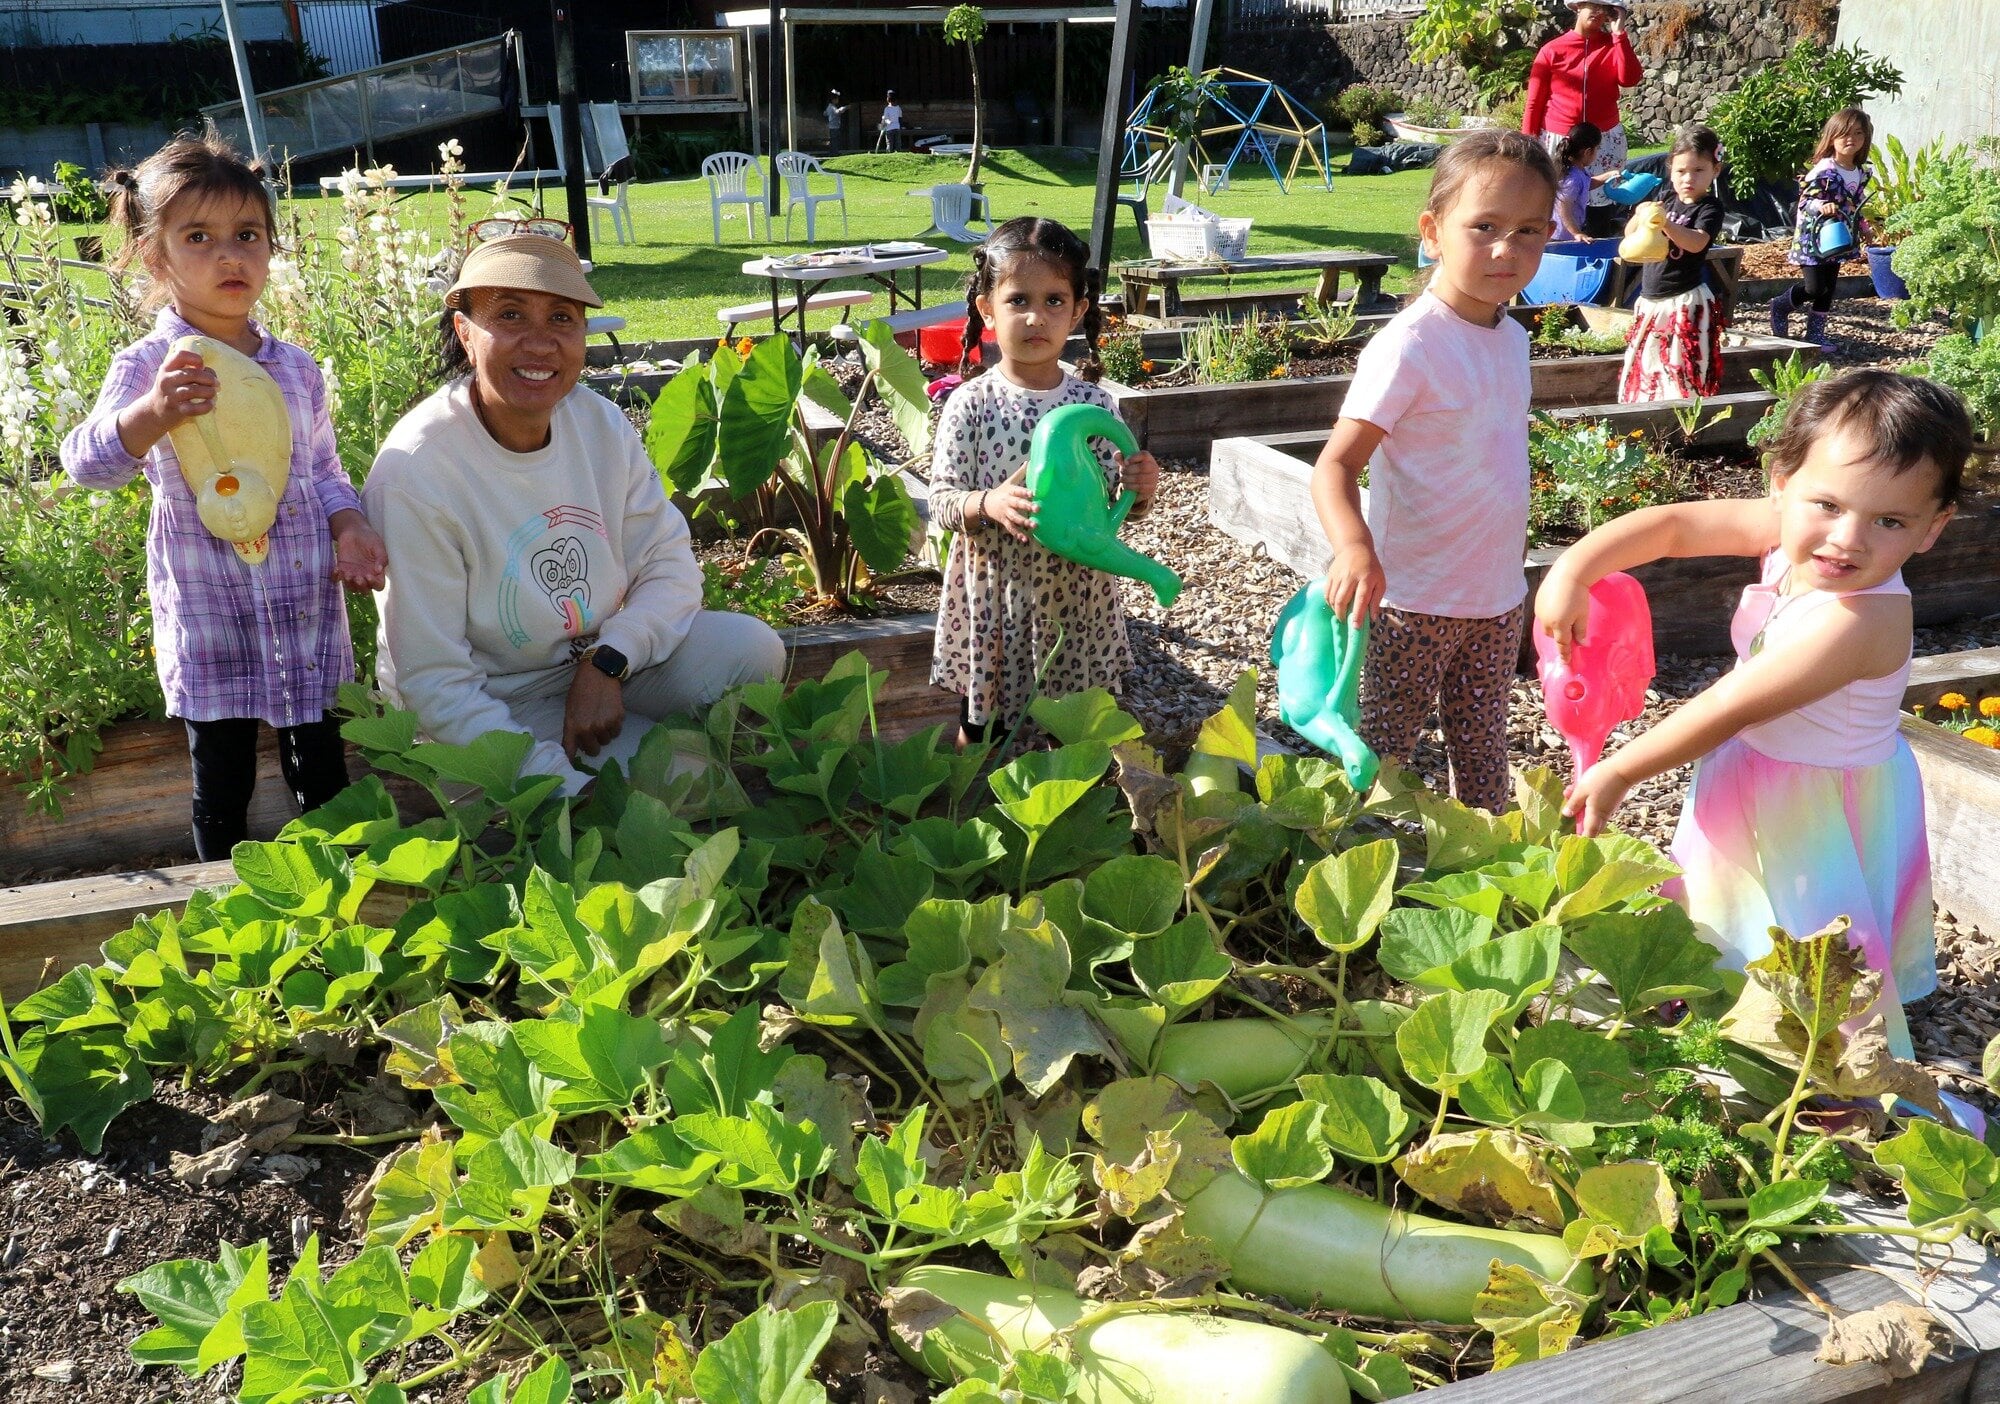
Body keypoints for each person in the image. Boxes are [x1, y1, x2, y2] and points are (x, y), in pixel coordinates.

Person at [1536, 370, 1979, 1119]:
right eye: (1828, 505)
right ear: (1783, 483)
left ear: (1934, 526)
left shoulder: (1861, 621)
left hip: (1814, 811)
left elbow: (1728, 706)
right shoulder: (1793, 531)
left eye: (1890, 523)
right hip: (1760, 778)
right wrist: (1575, 567)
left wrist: (1618, 770)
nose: (1848, 539)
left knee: (1815, 961)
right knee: (1730, 918)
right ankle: (1727, 1027)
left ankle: (1856, 1099)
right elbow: (1673, 524)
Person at [362, 225, 784, 795]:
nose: (540, 344)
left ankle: (645, 756)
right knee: (687, 785)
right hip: (489, 703)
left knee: (751, 651)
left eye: (562, 318)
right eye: (510, 315)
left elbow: (669, 564)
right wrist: (560, 785)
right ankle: (625, 777)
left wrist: (610, 659)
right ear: (465, 333)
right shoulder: (419, 470)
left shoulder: (598, 423)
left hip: (597, 666)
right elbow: (432, 682)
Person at [60, 135, 388, 860]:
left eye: (247, 236)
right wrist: (150, 416)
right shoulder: (149, 365)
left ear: (271, 248)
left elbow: (324, 471)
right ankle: (229, 921)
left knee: (326, 778)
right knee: (223, 784)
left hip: (306, 614)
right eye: (198, 238)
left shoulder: (295, 370)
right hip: (211, 621)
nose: (229, 256)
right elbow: (86, 464)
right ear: (156, 256)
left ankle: (345, 905)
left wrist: (351, 524)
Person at [1311, 130, 1558, 812]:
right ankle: (1340, 876)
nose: (1507, 250)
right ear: (1432, 231)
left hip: (1496, 598)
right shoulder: (1410, 346)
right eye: (1484, 227)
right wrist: (1355, 549)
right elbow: (1335, 465)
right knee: (1380, 751)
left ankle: (1482, 875)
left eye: (1529, 231)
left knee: (1482, 752)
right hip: (1412, 602)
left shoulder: (1511, 337)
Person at [929, 216, 1162, 748]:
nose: (1037, 317)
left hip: (1075, 596)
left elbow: (1116, 508)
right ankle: (972, 816)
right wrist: (987, 502)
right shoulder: (972, 404)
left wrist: (1141, 488)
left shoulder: (1093, 404)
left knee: (1076, 728)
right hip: (998, 598)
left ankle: (1072, 815)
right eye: (1018, 301)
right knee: (984, 726)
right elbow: (941, 500)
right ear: (987, 307)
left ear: (1079, 310)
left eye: (1055, 301)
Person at [1619, 124, 1726, 404]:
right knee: (1648, 363)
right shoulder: (1665, 200)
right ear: (1670, 170)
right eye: (1680, 171)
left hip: (1684, 301)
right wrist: (1641, 215)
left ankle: (1682, 412)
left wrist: (1665, 223)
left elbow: (1696, 242)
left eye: (1698, 171)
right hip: (1651, 299)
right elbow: (1630, 239)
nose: (1688, 178)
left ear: (1715, 170)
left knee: (1681, 366)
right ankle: (1647, 411)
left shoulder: (1709, 208)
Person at [1523, 0, 1642, 214]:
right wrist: (1528, 143)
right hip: (1560, 140)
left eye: (1604, 9)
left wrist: (1619, 35)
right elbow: (1534, 102)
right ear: (1578, 6)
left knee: (1601, 206)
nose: (1598, 12)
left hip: (1603, 141)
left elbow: (1630, 78)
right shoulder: (1551, 50)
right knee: (1556, 204)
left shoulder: (1613, 45)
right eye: (1592, 5)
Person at [1771, 107, 1874, 352]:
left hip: (1837, 237)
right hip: (1814, 238)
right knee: (1814, 287)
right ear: (1832, 138)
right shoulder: (1826, 169)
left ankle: (1815, 333)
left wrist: (1865, 228)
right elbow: (1805, 200)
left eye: (1858, 133)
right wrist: (1821, 205)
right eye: (1844, 134)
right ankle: (1781, 305)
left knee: (1828, 288)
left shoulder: (1859, 172)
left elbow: (1854, 204)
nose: (1851, 139)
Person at [1552, 121, 1613, 241]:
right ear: (1588, 152)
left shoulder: (1578, 172)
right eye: (1597, 148)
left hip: (1567, 234)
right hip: (1560, 237)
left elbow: (1587, 184)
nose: (1597, 152)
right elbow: (1563, 207)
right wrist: (1577, 233)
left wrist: (1608, 176)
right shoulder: (1572, 179)